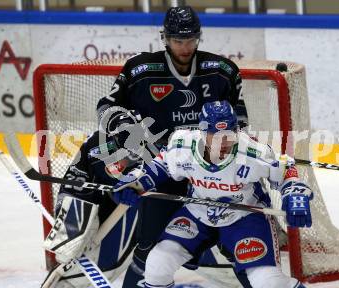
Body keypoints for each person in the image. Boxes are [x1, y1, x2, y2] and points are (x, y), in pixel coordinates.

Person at [96, 6, 249, 287]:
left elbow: (239, 122)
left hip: (211, 175)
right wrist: (126, 138)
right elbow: (107, 107)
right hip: (163, 171)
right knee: (149, 244)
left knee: (239, 246)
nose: (185, 46)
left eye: (191, 40)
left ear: (199, 38)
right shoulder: (140, 71)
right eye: (178, 40)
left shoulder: (222, 71)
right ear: (164, 37)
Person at [114, 101, 313, 288]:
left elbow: (286, 170)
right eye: (215, 135)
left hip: (244, 216)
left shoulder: (252, 152)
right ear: (202, 132)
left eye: (229, 133)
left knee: (268, 282)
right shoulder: (182, 144)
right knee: (158, 264)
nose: (224, 141)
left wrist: (295, 195)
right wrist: (133, 183)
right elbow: (158, 166)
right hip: (198, 211)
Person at [41, 110, 146, 288]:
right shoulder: (98, 145)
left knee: (111, 264)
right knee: (69, 250)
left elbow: (151, 174)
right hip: (85, 197)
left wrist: (133, 186)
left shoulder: (147, 145)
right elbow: (81, 184)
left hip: (116, 205)